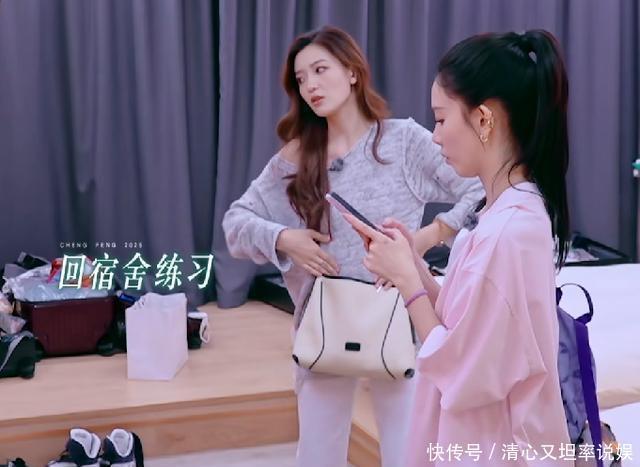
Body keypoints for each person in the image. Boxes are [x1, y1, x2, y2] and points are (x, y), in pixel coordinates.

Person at [222, 25, 483, 467]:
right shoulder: (296, 157)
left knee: (409, 454)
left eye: (320, 70)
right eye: (301, 79)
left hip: (398, 320)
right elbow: (235, 224)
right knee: (317, 456)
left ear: (352, 72)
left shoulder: (403, 141)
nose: (310, 85)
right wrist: (284, 239)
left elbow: (479, 189)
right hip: (324, 326)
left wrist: (427, 237)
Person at [342, 30, 572, 466]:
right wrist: (414, 267)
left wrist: (409, 282)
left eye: (441, 119)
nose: (435, 136)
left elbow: (462, 367)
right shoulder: (503, 216)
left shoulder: (509, 231)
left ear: (484, 120)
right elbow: (465, 325)